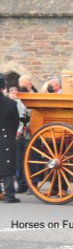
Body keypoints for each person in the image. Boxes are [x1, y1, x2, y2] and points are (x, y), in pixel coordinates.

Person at [0, 73, 21, 203]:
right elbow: (15, 122)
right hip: (6, 135)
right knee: (7, 166)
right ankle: (9, 195)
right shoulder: (11, 103)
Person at [8, 87, 29, 194]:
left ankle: (25, 184)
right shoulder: (9, 104)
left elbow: (23, 119)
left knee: (23, 161)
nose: (14, 93)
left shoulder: (21, 104)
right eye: (12, 92)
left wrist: (21, 129)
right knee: (18, 162)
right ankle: (21, 183)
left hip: (24, 135)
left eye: (16, 91)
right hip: (14, 136)